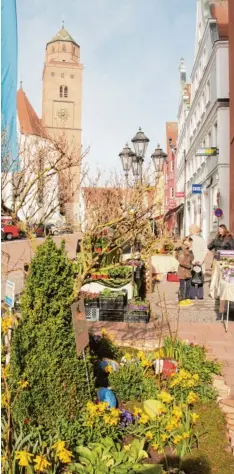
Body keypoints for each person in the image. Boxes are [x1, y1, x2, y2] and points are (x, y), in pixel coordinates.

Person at [189, 224, 207, 300]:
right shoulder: (202, 239)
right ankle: (200, 295)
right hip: (200, 261)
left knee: (192, 278)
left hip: (192, 261)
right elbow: (205, 251)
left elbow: (189, 251)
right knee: (200, 278)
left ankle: (192, 295)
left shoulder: (190, 239)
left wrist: (193, 261)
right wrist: (201, 260)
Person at [175, 237, 194, 307]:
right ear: (186, 241)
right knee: (182, 286)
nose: (191, 244)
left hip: (188, 271)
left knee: (189, 285)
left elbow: (192, 258)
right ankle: (181, 299)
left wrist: (191, 252)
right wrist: (190, 266)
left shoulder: (188, 249)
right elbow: (181, 261)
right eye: (190, 242)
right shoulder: (181, 249)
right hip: (183, 270)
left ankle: (186, 298)